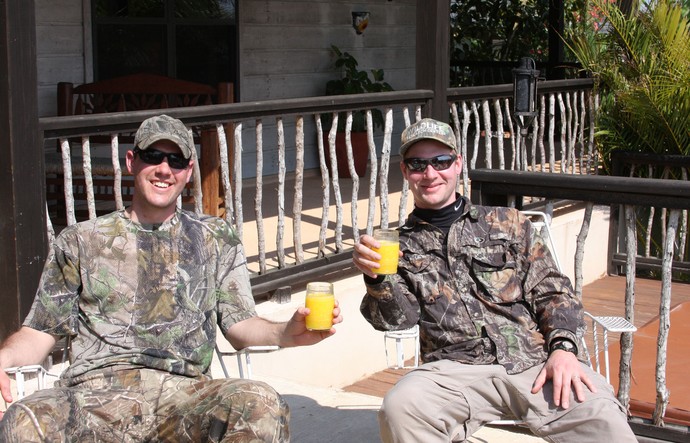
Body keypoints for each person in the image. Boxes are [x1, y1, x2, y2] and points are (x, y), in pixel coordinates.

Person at [0, 114, 342, 442]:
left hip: (184, 396)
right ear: (132, 161)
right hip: (94, 397)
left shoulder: (215, 238)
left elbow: (240, 325)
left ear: (188, 170)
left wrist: (286, 333)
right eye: (153, 156)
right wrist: (4, 357)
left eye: (176, 161)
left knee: (261, 403)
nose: (164, 169)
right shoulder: (80, 240)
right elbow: (41, 331)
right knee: (24, 421)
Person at [352, 118, 636, 442]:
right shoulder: (397, 246)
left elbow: (553, 291)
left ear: (457, 164)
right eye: (418, 164)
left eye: (440, 161)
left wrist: (563, 349)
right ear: (405, 171)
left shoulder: (508, 222)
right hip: (453, 371)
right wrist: (376, 279)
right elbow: (398, 320)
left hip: (534, 362)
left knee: (602, 417)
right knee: (400, 407)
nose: (430, 174)